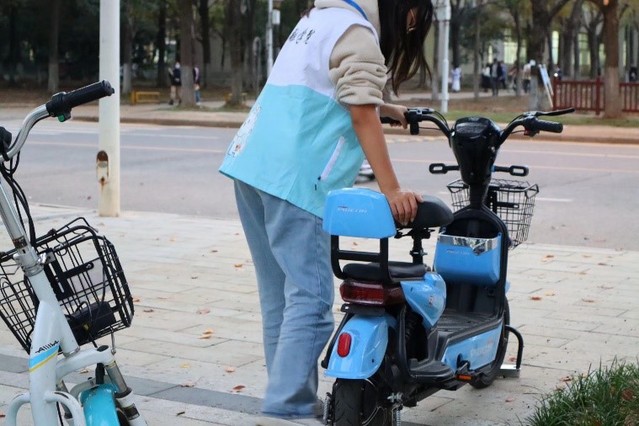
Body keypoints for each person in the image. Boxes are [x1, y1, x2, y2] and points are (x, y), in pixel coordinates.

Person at [218, 0, 433, 424]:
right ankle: (290, 408)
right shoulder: (358, 33)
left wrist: (387, 109)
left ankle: (285, 405)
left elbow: (320, 90)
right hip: (297, 180)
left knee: (279, 298)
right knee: (312, 304)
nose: (409, 31)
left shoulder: (319, 19)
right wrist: (392, 190)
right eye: (412, 22)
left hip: (252, 166)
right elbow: (361, 115)